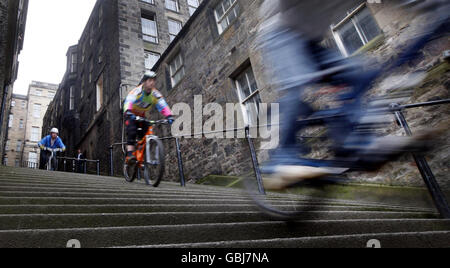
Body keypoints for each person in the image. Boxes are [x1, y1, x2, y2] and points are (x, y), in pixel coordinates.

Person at [257, 0, 445, 190]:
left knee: (356, 73)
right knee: (298, 80)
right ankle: (284, 158)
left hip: (309, 41)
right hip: (279, 31)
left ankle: (357, 141)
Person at [123, 71, 174, 167]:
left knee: (145, 135)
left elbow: (163, 106)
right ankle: (129, 154)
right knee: (132, 131)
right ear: (144, 82)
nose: (152, 83)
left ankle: (140, 156)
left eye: (154, 80)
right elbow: (128, 101)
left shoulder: (155, 94)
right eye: (150, 80)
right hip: (131, 114)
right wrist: (128, 112)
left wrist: (169, 116)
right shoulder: (137, 91)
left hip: (141, 116)